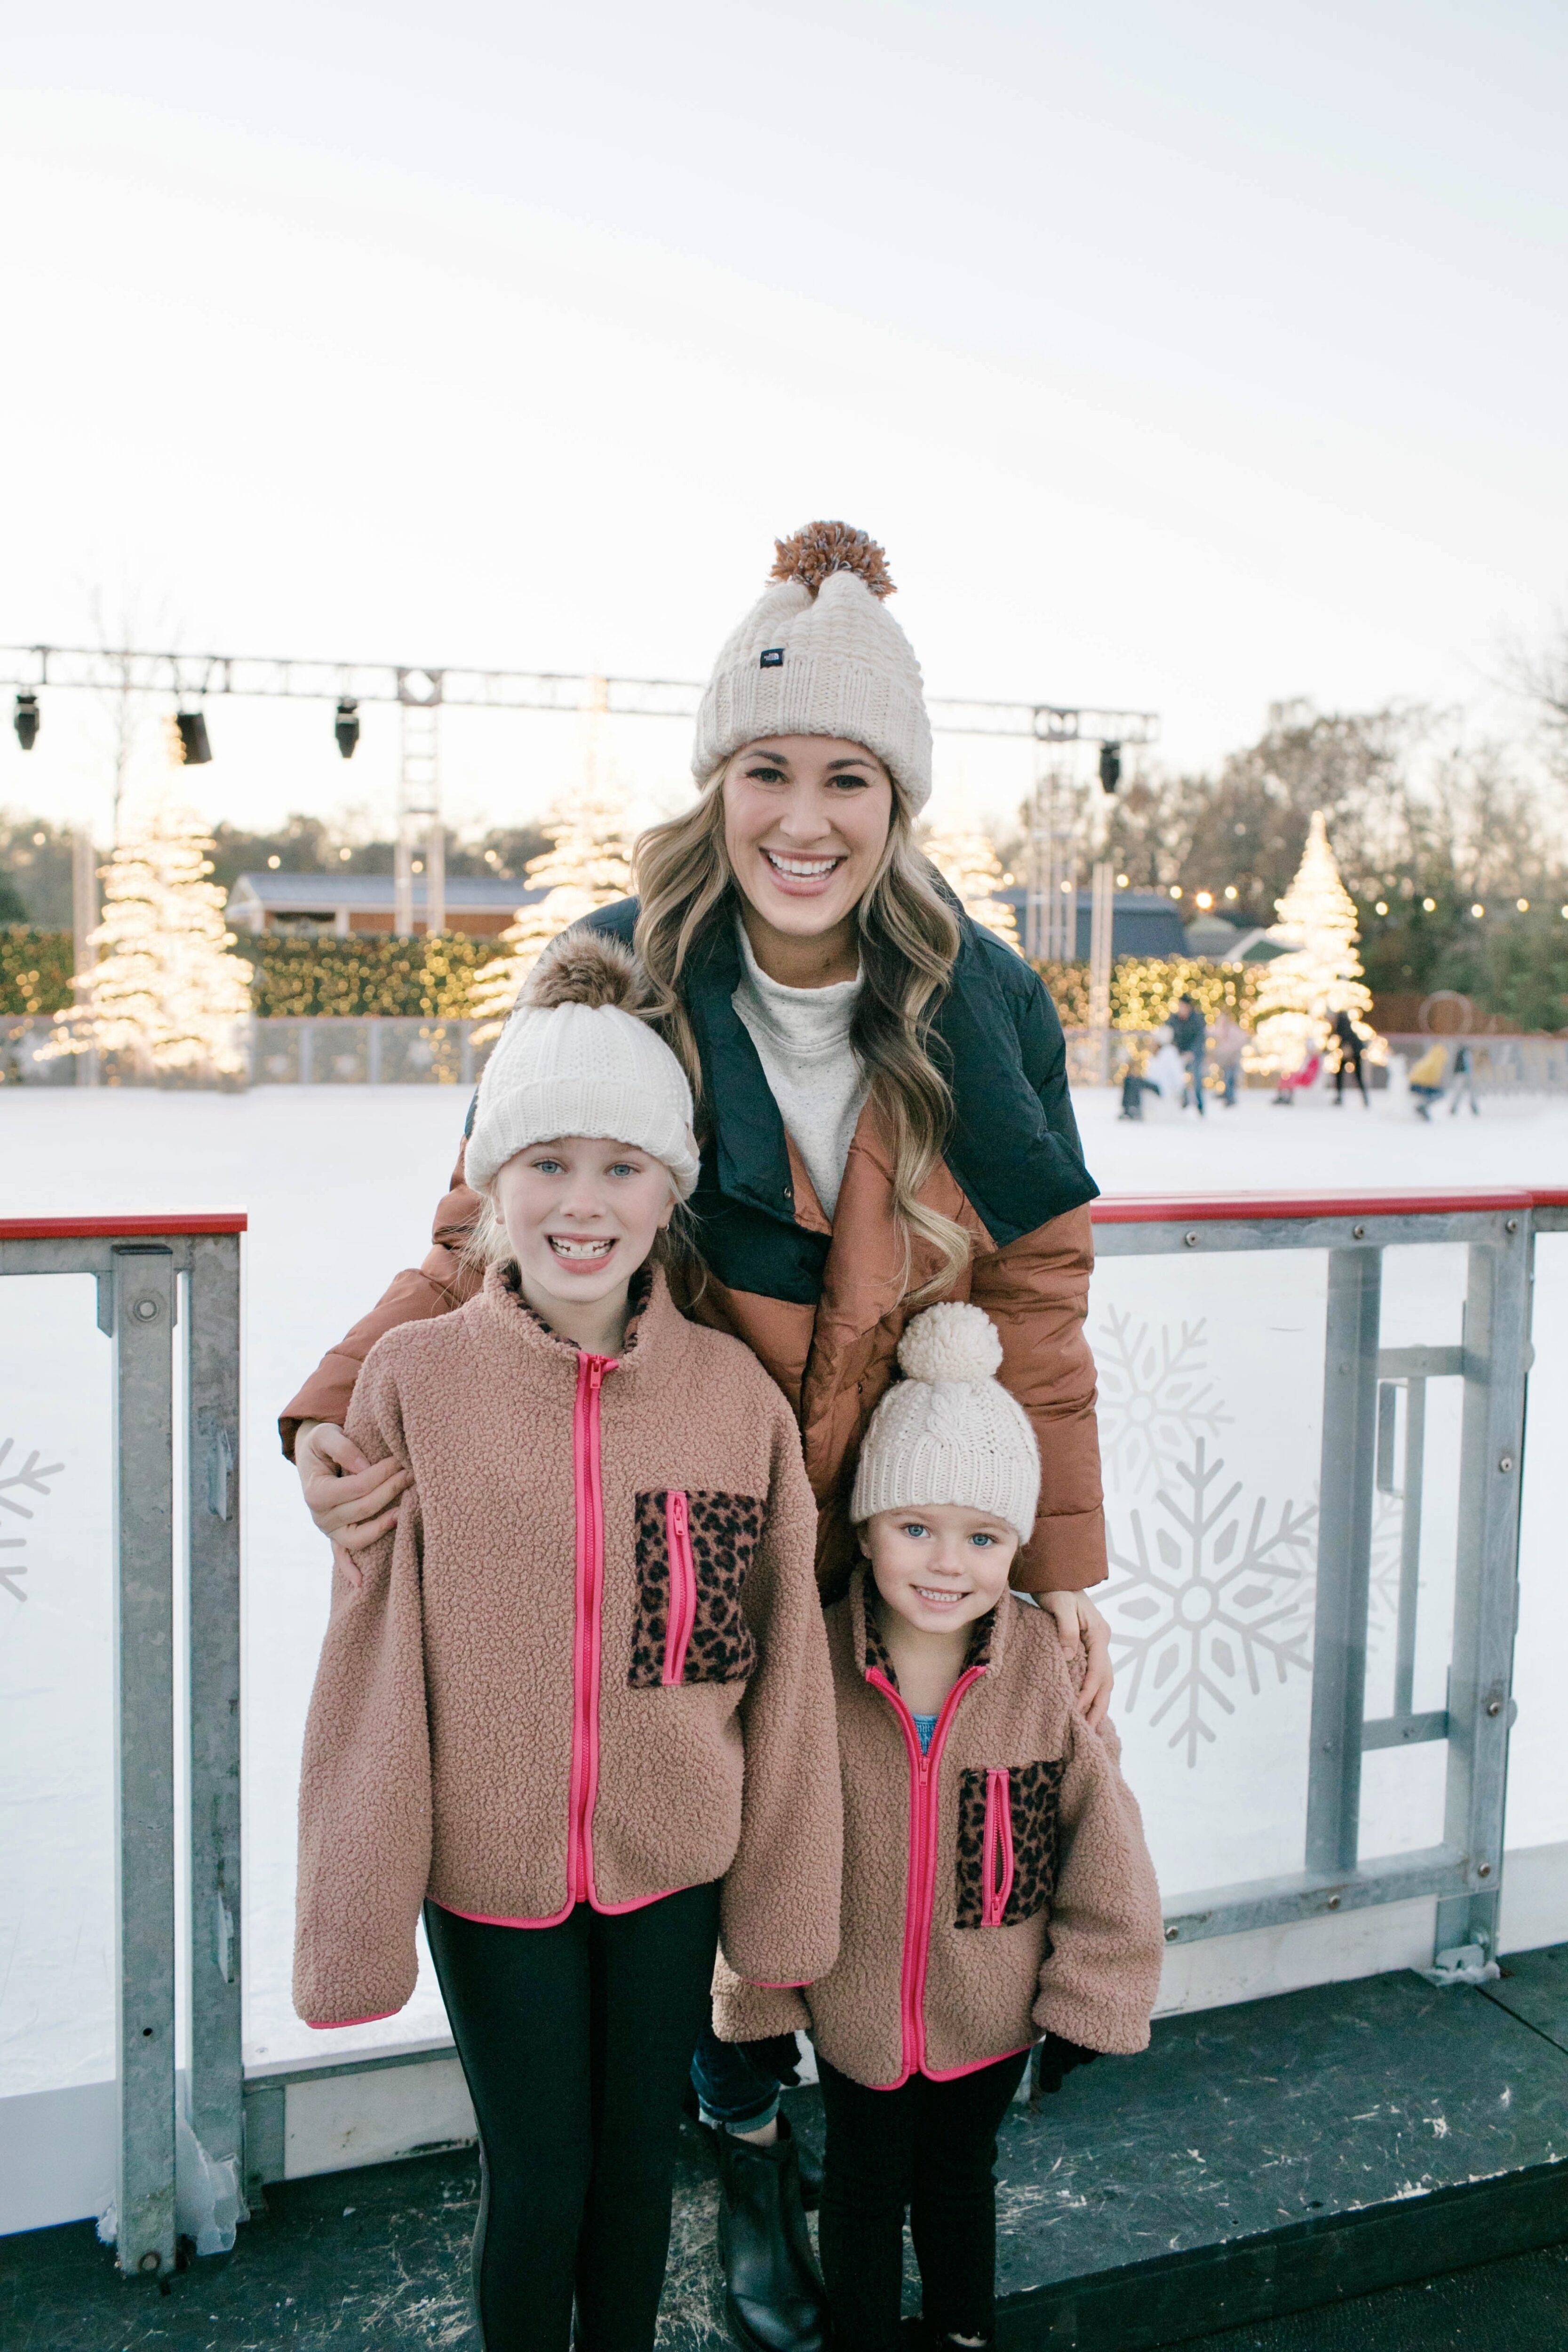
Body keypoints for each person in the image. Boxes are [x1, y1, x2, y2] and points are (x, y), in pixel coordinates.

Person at [281, 521, 1114, 2352]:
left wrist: (1049, 1570)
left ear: (894, 799)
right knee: (713, 1851)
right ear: (713, 782)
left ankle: (804, 2165)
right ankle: (745, 2158)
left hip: (899, 1528)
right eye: (764, 771)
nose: (799, 819)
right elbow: (479, 1224)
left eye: (842, 776)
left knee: (843, 1868)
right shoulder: (617, 966)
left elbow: (1039, 1298)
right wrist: (341, 1403)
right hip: (690, 1509)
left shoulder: (977, 1002)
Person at [291, 931, 842, 2352]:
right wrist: (358, 1900)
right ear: (487, 1185)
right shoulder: (418, 1381)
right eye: (545, 1162)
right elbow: (373, 1671)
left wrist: (779, 1909)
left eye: (621, 1165)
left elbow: (769, 1682)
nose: (582, 1202)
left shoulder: (731, 1402)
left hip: (673, 1856)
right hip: (490, 1866)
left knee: (639, 2174)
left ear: (672, 1187)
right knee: (541, 2177)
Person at [715, 1303, 1162, 2352]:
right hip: (856, 2008)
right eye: (914, 1527)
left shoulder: (1041, 1675)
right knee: (867, 2189)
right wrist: (761, 1993)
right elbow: (771, 1839)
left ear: (1015, 1543)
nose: (945, 1562)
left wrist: (1086, 1999)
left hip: (989, 2008)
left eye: (981, 1535)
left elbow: (1105, 1845)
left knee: (960, 2181)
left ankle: (962, 2335)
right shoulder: (815, 1669)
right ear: (866, 1527)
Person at [1168, 994, 1207, 1114]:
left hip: (1195, 1055)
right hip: (1179, 1055)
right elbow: (1169, 1036)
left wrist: (1192, 1053)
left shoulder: (1197, 1020)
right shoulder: (1174, 1020)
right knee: (1177, 1077)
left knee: (1197, 1078)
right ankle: (1183, 1102)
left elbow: (1200, 1039)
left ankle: (1200, 1106)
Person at [1330, 1009, 1369, 1107]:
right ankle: (1365, 1099)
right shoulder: (1344, 1023)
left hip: (1353, 1051)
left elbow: (1346, 1037)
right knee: (1355, 1076)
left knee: (1349, 1075)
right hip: (1354, 1051)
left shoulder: (1342, 1024)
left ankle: (1341, 1097)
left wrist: (1348, 1049)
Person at [1211, 1010, 1246, 1108]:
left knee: (1231, 1078)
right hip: (1225, 1060)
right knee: (1226, 1078)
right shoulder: (1219, 1030)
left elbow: (1243, 1039)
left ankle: (1231, 1098)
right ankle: (1228, 1097)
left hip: (1233, 1059)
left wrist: (1234, 1050)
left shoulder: (1233, 1030)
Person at [1408, 1040, 1448, 1119]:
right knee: (1441, 1093)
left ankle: (1423, 1105)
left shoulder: (1428, 1059)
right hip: (1419, 1086)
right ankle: (1423, 1106)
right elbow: (1434, 1080)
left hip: (1414, 1084)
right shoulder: (1435, 1064)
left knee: (1436, 1092)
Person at [1449, 1041, 1481, 1116]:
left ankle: (1474, 1106)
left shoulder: (1470, 1054)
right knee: (1459, 1092)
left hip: (1469, 1075)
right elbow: (1457, 1065)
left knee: (1472, 1091)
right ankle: (1454, 1108)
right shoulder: (1460, 1054)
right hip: (1461, 1075)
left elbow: (1472, 1065)